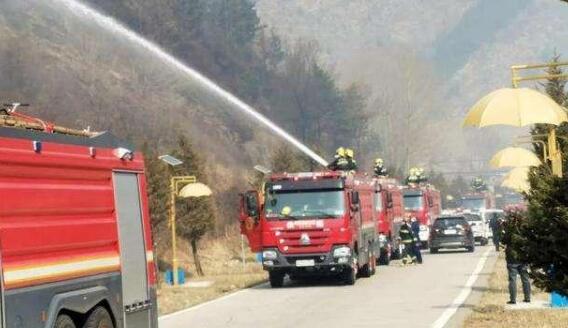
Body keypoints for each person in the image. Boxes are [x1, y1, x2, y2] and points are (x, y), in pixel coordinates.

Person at [501, 214, 531, 304]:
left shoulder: (510, 230)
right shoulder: (525, 230)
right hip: (523, 256)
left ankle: (513, 299)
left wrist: (505, 230)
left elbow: (503, 241)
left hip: (512, 257)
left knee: (512, 279)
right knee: (525, 278)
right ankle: (527, 298)